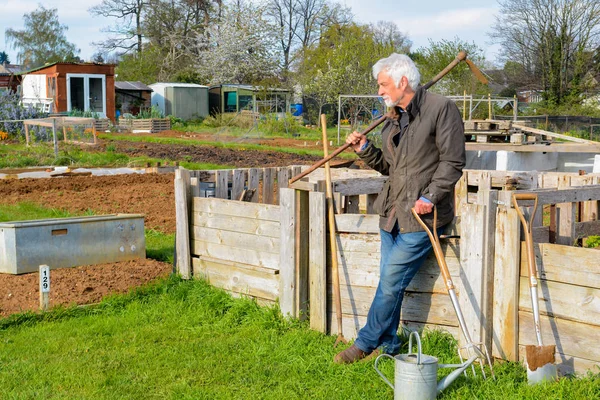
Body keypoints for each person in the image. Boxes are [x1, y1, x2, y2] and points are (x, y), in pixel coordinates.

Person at [334, 53, 466, 364]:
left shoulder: (441, 109)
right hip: (392, 214)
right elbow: (391, 169)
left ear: (402, 82)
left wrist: (431, 196)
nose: (379, 91)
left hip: (423, 217)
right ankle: (390, 345)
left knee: (391, 279)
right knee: (389, 282)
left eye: (383, 84)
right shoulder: (395, 116)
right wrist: (365, 150)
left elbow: (453, 161)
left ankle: (365, 343)